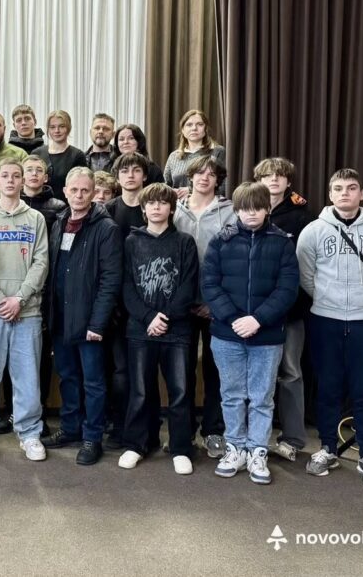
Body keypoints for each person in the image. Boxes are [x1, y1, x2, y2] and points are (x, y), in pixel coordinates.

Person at [297, 168, 363, 486]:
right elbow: (305, 275)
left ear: (362, 194)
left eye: (352, 187)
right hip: (324, 320)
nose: (345, 193)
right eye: (339, 188)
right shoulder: (314, 231)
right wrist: (328, 301)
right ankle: (328, 448)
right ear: (330, 194)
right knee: (328, 388)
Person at [202, 182, 299, 485]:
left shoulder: (283, 243)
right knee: (231, 395)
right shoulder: (221, 241)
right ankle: (235, 447)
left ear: (268, 208)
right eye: (245, 208)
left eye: (257, 207)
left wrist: (257, 319)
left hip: (266, 336)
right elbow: (209, 285)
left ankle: (258, 450)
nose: (251, 213)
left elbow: (288, 289)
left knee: (261, 397)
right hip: (227, 333)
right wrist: (234, 319)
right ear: (236, 210)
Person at [0, 158, 49, 462]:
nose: (12, 180)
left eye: (17, 175)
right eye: (6, 175)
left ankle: (29, 434)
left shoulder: (35, 219)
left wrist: (20, 298)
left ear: (23, 180)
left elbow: (41, 262)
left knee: (27, 377)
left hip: (27, 312)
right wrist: (0, 298)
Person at [41, 167, 122, 466]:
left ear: (93, 193)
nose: (79, 195)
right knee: (68, 376)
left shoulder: (106, 228)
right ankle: (71, 428)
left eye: (85, 190)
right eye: (74, 190)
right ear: (64, 191)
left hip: (90, 322)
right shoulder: (59, 222)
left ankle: (92, 437)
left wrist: (98, 323)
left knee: (94, 382)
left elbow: (111, 280)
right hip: (61, 319)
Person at [120, 183, 199, 474]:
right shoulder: (131, 242)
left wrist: (164, 318)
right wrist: (148, 317)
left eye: (162, 203)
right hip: (140, 330)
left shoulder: (184, 242)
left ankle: (180, 448)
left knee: (180, 391)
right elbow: (126, 286)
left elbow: (188, 286)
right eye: (151, 203)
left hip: (177, 331)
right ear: (143, 209)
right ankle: (137, 444)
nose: (156, 207)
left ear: (171, 208)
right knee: (140, 391)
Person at [173, 156, 235, 458]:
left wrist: (215, 303)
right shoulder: (175, 209)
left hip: (217, 306)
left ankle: (214, 431)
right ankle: (183, 433)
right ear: (190, 177)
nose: (204, 177)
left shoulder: (231, 211)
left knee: (216, 371)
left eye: (211, 174)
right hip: (182, 306)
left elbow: (234, 261)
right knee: (182, 373)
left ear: (218, 180)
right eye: (199, 172)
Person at [254, 157, 315, 463]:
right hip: (254, 311)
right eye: (268, 175)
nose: (274, 180)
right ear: (259, 181)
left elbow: (308, 265)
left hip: (291, 309)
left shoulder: (303, 216)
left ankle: (292, 439)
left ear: (288, 182)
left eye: (280, 176)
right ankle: (252, 438)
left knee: (290, 373)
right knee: (254, 375)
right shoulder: (249, 208)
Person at [101, 152, 152, 448]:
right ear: (117, 177)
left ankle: (145, 427)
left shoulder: (153, 206)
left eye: (136, 170)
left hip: (147, 301)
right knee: (118, 370)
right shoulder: (108, 209)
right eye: (124, 171)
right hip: (115, 302)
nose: (130, 175)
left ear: (144, 175)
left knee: (141, 370)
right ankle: (118, 425)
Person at [19, 153, 67, 435]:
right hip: (16, 286)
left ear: (46, 177)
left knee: (41, 355)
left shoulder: (58, 207)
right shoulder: (11, 204)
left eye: (39, 170)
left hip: (47, 287)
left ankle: (40, 410)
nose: (34, 174)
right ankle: (10, 410)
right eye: (29, 170)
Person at [164, 110, 226, 198]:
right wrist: (172, 192)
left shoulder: (218, 151)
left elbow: (223, 186)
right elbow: (165, 185)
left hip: (207, 203)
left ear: (206, 129)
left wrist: (191, 190)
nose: (194, 128)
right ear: (183, 130)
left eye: (199, 124)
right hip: (177, 204)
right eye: (189, 125)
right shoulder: (174, 156)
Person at [31, 110, 87, 201]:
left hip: (66, 205)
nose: (57, 131)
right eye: (52, 127)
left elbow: (81, 185)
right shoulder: (37, 153)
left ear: (68, 128)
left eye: (61, 126)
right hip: (38, 204)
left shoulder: (77, 156)